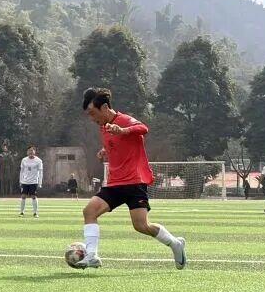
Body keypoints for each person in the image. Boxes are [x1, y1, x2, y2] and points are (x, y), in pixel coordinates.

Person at [75, 87, 186, 270]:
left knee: (141, 226)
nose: (92, 119)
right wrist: (105, 150)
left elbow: (143, 128)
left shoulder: (124, 120)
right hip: (115, 184)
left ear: (104, 107)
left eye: (93, 113)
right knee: (89, 212)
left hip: (134, 182)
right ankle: (92, 255)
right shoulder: (103, 127)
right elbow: (116, 144)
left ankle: (175, 244)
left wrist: (123, 130)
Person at [19, 145, 44, 217]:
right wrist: (20, 181)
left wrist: (40, 183)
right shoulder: (24, 160)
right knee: (23, 196)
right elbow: (22, 171)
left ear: (34, 152)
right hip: (25, 181)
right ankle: (21, 212)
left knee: (33, 196)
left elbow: (41, 172)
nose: (30, 152)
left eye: (32, 150)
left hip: (34, 181)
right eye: (29, 150)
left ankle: (35, 213)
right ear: (27, 152)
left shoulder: (38, 161)